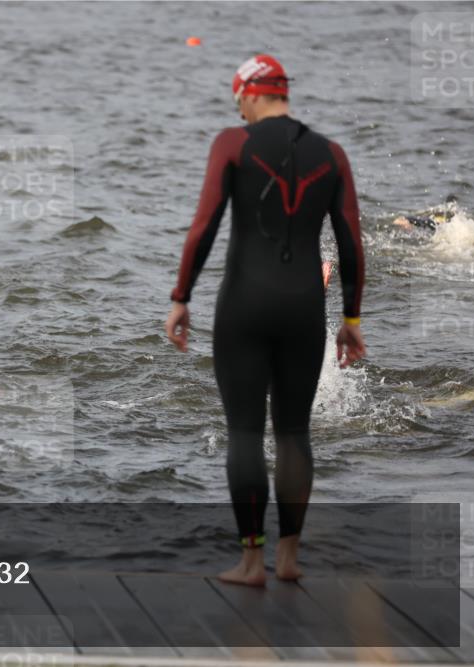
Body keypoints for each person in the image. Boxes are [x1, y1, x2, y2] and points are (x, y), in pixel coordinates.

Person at [165, 54, 366, 587]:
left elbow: (203, 226)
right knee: (295, 433)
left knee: (246, 434)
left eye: (239, 103)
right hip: (305, 307)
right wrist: (351, 318)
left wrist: (181, 296)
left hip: (245, 307)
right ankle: (290, 558)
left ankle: (251, 562)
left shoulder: (232, 144)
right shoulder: (333, 154)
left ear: (250, 95)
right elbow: (350, 243)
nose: (240, 113)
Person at [393, 195, 459, 231]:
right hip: (436, 222)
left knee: (422, 221)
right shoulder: (452, 213)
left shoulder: (439, 209)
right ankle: (405, 220)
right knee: (425, 222)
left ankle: (404, 220)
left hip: (431, 220)